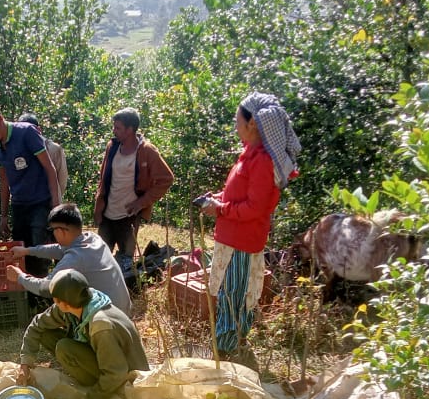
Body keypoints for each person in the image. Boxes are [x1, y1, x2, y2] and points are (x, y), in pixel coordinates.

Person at [199, 92, 301, 364]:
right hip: (233, 238)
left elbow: (255, 208)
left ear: (252, 124)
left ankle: (225, 352)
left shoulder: (263, 162)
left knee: (234, 296)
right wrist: (218, 199)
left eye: (237, 120)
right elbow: (239, 197)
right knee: (230, 293)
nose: (235, 125)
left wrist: (219, 209)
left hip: (242, 241)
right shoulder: (249, 155)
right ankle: (230, 345)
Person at [17, 269, 149, 399]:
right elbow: (37, 324)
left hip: (126, 377)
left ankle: (95, 387)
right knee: (45, 333)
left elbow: (115, 373)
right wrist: (25, 364)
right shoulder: (75, 303)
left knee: (64, 347)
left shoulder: (101, 324)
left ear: (63, 303)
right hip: (106, 359)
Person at [0, 103, 61, 277]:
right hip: (19, 205)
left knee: (39, 251)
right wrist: (4, 215)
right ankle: (28, 295)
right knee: (20, 252)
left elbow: (49, 168)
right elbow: (4, 179)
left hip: (40, 202)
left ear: (0, 119)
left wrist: (56, 206)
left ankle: (45, 294)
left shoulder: (27, 132)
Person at [5, 203, 132, 315]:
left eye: (53, 230)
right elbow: (59, 249)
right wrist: (27, 251)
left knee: (61, 304)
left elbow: (46, 288)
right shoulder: (92, 238)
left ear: (60, 231)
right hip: (123, 309)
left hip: (109, 319)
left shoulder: (75, 258)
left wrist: (19, 277)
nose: (53, 234)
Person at [93, 107, 175, 260]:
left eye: (118, 128)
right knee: (99, 258)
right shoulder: (112, 147)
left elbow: (166, 179)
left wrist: (141, 202)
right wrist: (98, 209)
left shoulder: (147, 151)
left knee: (125, 261)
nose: (114, 131)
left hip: (129, 216)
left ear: (130, 130)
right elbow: (103, 179)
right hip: (107, 214)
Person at [17, 113, 68, 203]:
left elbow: (62, 180)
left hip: (49, 203)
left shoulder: (54, 149)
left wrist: (55, 200)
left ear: (39, 130)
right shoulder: (16, 150)